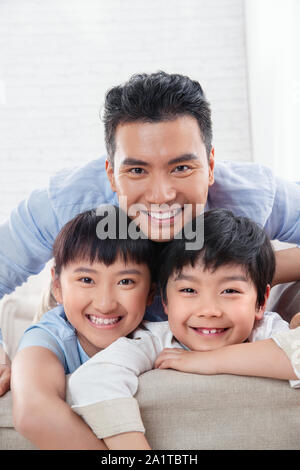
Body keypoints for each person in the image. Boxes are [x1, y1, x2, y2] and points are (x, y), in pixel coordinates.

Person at [2, 70, 300, 394]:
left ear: (211, 166)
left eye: (182, 168)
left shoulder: (252, 194)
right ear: (111, 175)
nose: (162, 195)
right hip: (86, 321)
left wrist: (260, 267)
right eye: (137, 170)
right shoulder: (65, 203)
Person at [66, 209, 300, 450]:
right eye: (188, 290)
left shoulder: (266, 330)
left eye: (230, 291)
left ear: (261, 302)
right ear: (165, 301)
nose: (209, 310)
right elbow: (94, 378)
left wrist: (208, 360)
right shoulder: (155, 341)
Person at [11, 207, 158, 450]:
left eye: (125, 282)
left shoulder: (155, 335)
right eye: (87, 280)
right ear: (57, 286)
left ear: (151, 292)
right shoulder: (48, 337)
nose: (105, 304)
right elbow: (33, 413)